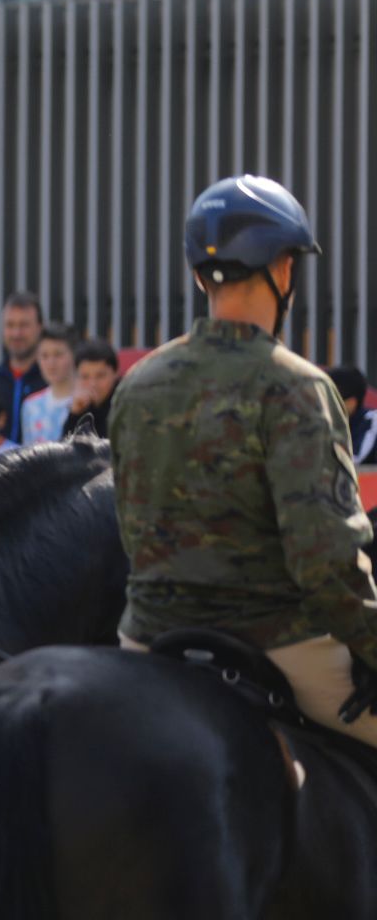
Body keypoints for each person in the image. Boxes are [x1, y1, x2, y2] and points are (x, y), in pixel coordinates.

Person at [111, 173, 377, 748]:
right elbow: (325, 561)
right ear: (284, 269)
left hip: (148, 638)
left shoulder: (138, 382)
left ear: (198, 274)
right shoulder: (297, 386)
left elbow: (133, 532)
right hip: (279, 640)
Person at [0, 290, 48, 442]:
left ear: (40, 328)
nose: (16, 333)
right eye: (10, 325)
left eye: (24, 325)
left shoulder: (51, 380)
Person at [19, 322, 79, 444]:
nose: (51, 363)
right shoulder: (30, 406)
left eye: (58, 354)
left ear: (74, 355)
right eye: (44, 356)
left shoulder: (86, 400)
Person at [62, 339, 120, 440]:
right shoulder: (78, 405)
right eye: (85, 377)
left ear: (115, 374)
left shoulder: (126, 404)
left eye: (100, 376)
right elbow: (65, 450)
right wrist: (75, 414)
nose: (93, 384)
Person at [328, 365, 376, 463]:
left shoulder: (372, 420)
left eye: (330, 401)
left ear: (351, 403)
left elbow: (355, 459)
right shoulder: (329, 423)